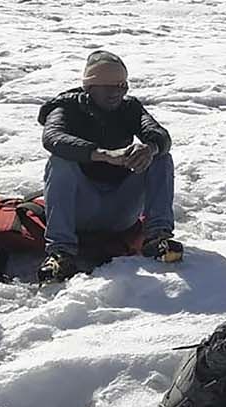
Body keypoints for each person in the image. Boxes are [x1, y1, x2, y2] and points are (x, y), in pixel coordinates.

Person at [36, 51, 181, 282]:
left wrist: (149, 148)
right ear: (90, 87)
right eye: (108, 86)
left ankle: (158, 238)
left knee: (160, 156)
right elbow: (53, 138)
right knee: (60, 160)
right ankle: (60, 252)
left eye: (122, 86)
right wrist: (101, 155)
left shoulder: (129, 108)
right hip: (80, 210)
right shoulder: (65, 108)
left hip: (120, 209)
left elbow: (160, 136)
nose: (117, 93)